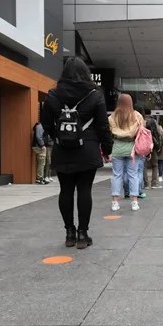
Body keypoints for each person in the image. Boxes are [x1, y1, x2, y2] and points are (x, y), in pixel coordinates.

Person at [40, 58, 112, 249]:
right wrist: (107, 148)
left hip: (62, 149)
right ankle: (82, 233)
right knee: (84, 189)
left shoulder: (53, 94)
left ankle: (69, 232)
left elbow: (45, 123)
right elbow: (103, 125)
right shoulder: (95, 95)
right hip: (87, 148)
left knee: (65, 190)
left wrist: (59, 135)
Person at [109, 94, 144, 212]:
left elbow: (111, 131)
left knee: (116, 175)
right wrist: (131, 131)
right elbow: (141, 131)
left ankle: (115, 202)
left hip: (117, 148)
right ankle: (134, 201)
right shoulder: (137, 116)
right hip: (132, 149)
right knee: (133, 175)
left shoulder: (112, 117)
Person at [146, 116, 163, 190]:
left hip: (144, 148)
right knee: (155, 165)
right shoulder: (156, 129)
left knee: (144, 166)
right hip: (153, 149)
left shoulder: (144, 126)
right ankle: (154, 183)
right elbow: (161, 137)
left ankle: (145, 184)